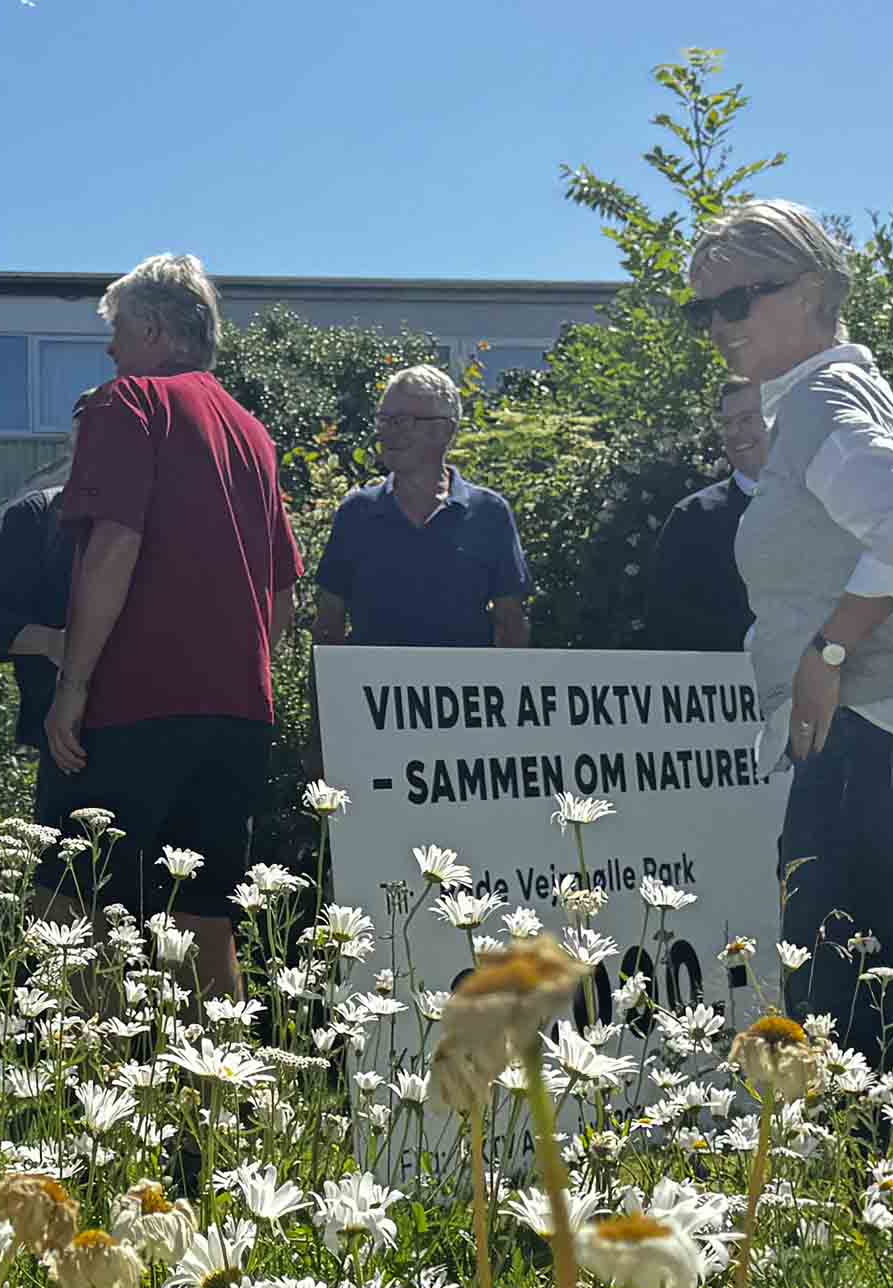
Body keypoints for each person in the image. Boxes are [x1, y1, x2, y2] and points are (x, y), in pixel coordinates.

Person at [690, 200, 893, 1069]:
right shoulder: (826, 395)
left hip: (871, 724)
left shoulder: (818, 399)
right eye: (702, 310)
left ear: (811, 289)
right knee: (848, 1002)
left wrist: (827, 653)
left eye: (736, 301)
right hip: (884, 728)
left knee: (838, 1009)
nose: (717, 327)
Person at [40, 253, 302, 1003]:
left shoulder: (130, 403)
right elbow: (280, 599)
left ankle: (82, 1106)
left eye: (118, 330)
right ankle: (226, 1110)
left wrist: (74, 686)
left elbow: (113, 545)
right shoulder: (252, 433)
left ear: (153, 330)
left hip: (135, 706)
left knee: (71, 913)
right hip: (237, 716)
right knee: (203, 926)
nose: (111, 349)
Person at [310, 364, 528, 649]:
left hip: (461, 691)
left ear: (444, 430)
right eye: (383, 420)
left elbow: (510, 624)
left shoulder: (489, 514)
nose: (386, 434)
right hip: (375, 692)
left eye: (401, 421)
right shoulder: (357, 514)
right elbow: (328, 624)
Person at [640, 377, 771, 654]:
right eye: (727, 423)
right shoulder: (693, 518)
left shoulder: (828, 503)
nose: (734, 432)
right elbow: (667, 626)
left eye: (747, 419)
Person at [0, 478, 72, 775]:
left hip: (157, 732)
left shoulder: (162, 517)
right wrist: (55, 644)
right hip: (64, 745)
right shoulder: (40, 516)